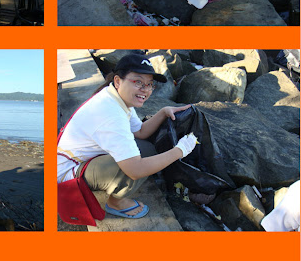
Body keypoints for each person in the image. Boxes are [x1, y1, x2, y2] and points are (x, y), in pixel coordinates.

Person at [57, 53, 198, 219]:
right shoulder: (110, 114)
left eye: (149, 84)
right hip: (66, 174)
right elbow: (135, 170)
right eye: (138, 82)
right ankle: (116, 202)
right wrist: (180, 151)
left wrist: (163, 112)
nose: (145, 90)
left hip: (80, 158)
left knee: (147, 148)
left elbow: (140, 132)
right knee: (136, 162)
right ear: (117, 81)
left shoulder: (116, 97)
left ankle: (113, 189)